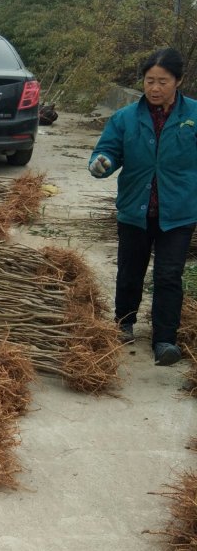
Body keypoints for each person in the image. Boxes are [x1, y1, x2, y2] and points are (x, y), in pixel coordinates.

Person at [88, 47, 197, 366]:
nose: (154, 88)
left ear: (178, 81)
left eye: (162, 81)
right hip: (135, 209)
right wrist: (101, 163)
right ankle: (124, 324)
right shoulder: (125, 118)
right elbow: (106, 151)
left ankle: (165, 339)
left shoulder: (192, 117)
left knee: (168, 275)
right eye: (150, 80)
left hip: (178, 212)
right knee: (130, 271)